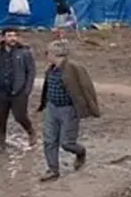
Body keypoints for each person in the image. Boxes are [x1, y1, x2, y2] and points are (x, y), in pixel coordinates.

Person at [36, 40, 99, 181]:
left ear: (55, 54)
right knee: (49, 140)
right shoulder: (50, 69)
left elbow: (86, 88)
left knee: (67, 143)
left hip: (68, 110)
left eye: (48, 52)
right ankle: (52, 170)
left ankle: (80, 152)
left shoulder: (74, 68)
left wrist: (89, 107)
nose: (46, 55)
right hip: (52, 108)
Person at [0, 27, 37, 149]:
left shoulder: (25, 53)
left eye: (15, 35)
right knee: (1, 116)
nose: (12, 38)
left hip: (19, 91)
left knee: (20, 116)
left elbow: (31, 72)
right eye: (9, 36)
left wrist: (27, 90)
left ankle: (31, 132)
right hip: (0, 91)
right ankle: (1, 140)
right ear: (3, 38)